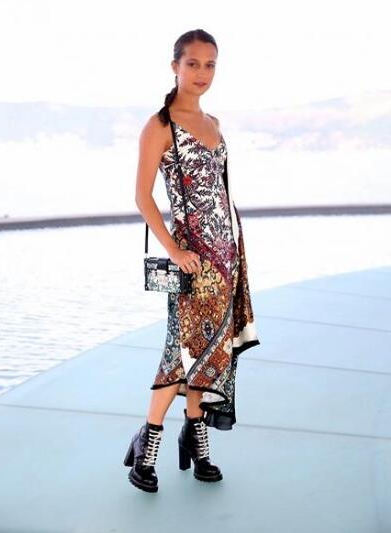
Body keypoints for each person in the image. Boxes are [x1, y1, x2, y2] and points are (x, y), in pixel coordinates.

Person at [123, 28, 260, 493]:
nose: (202, 72)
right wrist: (175, 250)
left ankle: (196, 440)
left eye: (210, 64)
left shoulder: (214, 123)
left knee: (210, 351)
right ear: (175, 66)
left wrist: (234, 247)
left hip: (227, 256)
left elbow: (221, 192)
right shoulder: (159, 125)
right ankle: (148, 446)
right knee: (178, 351)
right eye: (193, 63)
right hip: (191, 261)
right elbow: (143, 197)